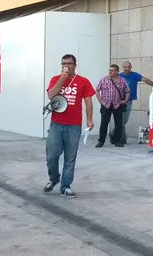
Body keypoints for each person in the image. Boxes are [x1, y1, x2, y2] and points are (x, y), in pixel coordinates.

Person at [43, 54, 95, 198]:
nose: (66, 66)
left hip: (74, 126)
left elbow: (88, 101)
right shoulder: (55, 79)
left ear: (75, 65)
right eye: (63, 63)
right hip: (56, 124)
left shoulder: (83, 81)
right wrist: (63, 78)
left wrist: (89, 120)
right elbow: (51, 95)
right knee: (52, 156)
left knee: (70, 157)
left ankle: (65, 186)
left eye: (69, 63)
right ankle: (54, 179)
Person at [114, 61, 153, 144]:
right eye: (125, 67)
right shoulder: (119, 76)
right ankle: (122, 139)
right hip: (119, 101)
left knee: (124, 121)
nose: (127, 69)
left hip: (129, 101)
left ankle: (114, 134)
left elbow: (145, 80)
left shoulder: (135, 75)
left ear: (131, 67)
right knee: (121, 121)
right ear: (123, 67)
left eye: (128, 67)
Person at [95, 64, 130, 148]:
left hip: (117, 105)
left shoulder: (122, 80)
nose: (110, 72)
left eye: (112, 70)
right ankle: (101, 141)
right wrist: (101, 101)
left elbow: (128, 91)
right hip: (106, 105)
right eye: (109, 70)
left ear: (117, 71)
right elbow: (97, 90)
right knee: (104, 123)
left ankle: (117, 141)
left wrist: (125, 100)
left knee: (118, 123)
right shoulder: (104, 80)